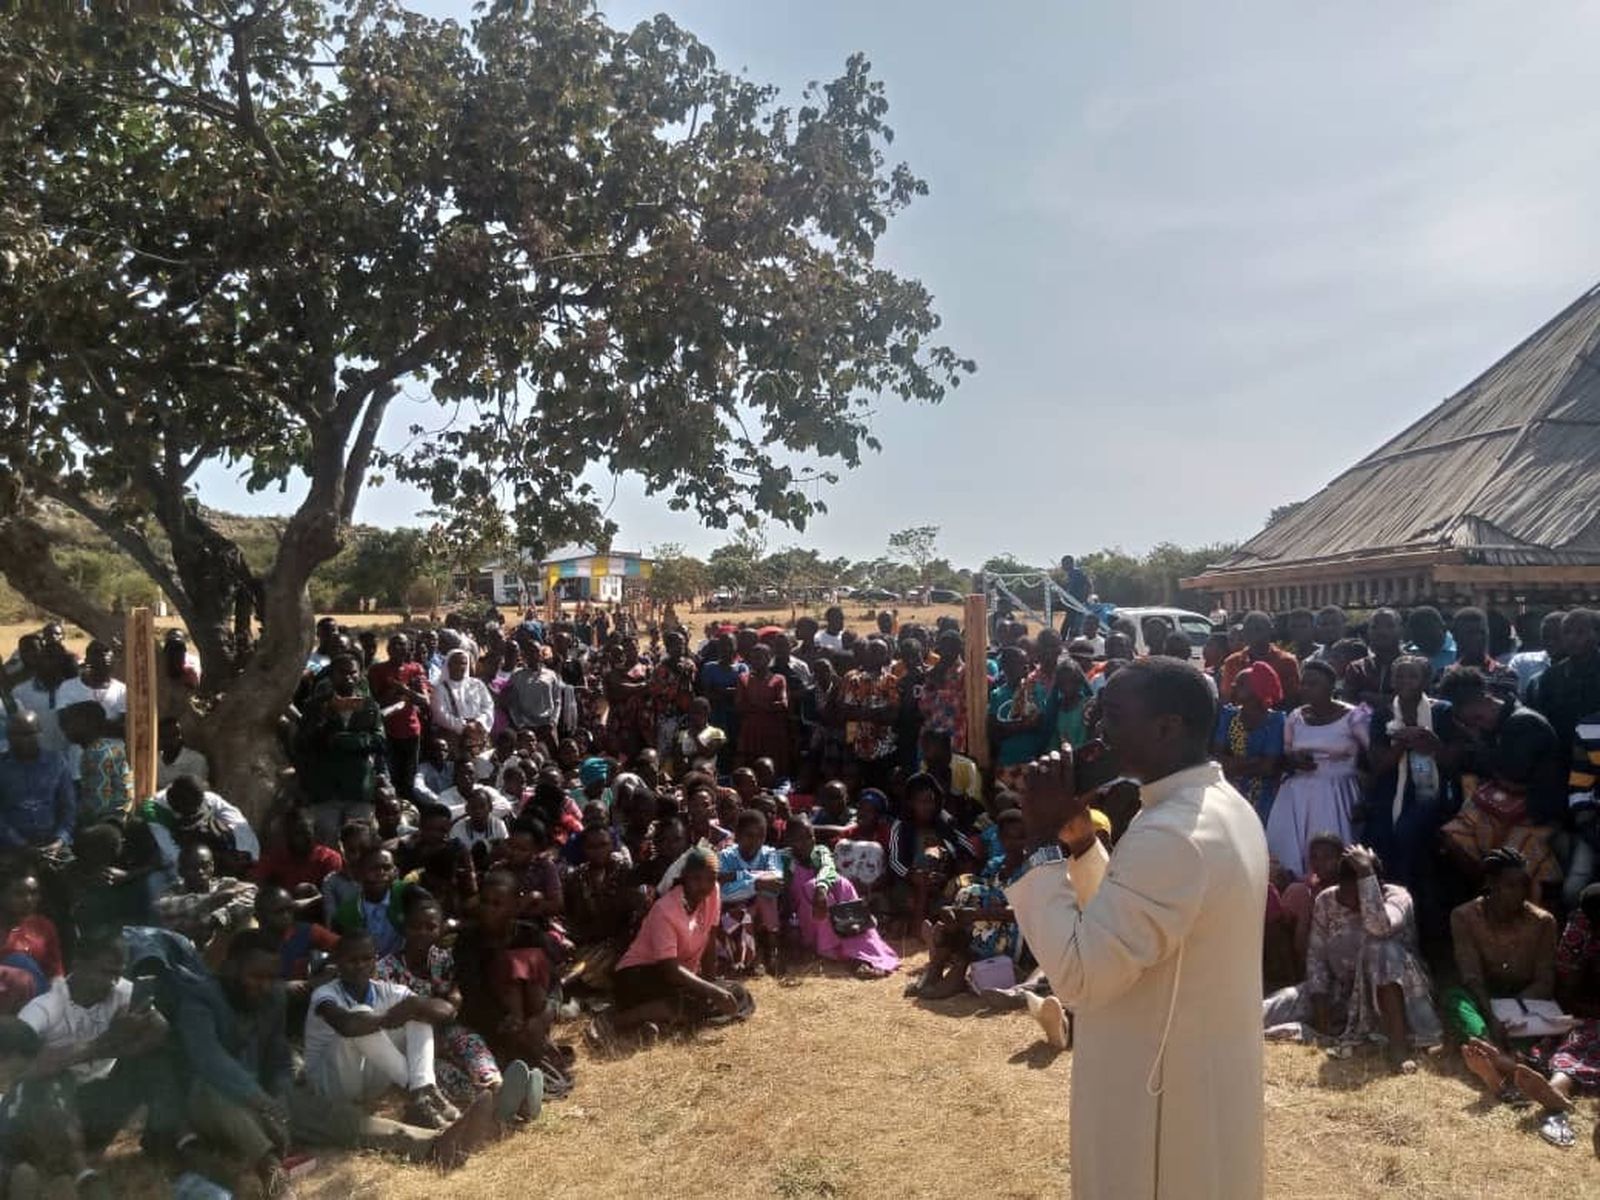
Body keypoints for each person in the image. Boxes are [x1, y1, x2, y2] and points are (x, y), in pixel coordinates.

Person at [1006, 656, 1268, 1200]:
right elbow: (1138, 919)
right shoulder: (1221, 806)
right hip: (1200, 1066)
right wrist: (1079, 841)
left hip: (1159, 1088)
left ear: (1167, 727)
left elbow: (1082, 977)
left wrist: (1037, 844)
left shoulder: (1169, 832)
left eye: (1115, 716)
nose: (1099, 733)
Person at [175, 931, 498, 1183]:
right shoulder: (198, 1001)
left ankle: (434, 1145)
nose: (264, 987)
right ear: (230, 968)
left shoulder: (271, 997)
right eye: (255, 977)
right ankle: (270, 1170)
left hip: (266, 1099)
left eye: (270, 978)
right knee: (215, 1094)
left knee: (346, 1121)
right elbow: (210, 1062)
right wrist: (262, 1101)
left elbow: (276, 1055)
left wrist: (283, 1092)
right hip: (214, 1103)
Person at [1, 929, 177, 1198]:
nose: (111, 981)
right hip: (46, 1114)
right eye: (105, 972)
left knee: (154, 1063)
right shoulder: (44, 1008)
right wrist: (104, 1043)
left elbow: (161, 1030)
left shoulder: (121, 992)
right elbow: (25, 1068)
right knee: (52, 1080)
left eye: (117, 973)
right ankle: (79, 1171)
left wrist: (131, 1037)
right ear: (78, 965)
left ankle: (172, 1144)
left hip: (95, 1107)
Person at [1262, 845, 1441, 1071]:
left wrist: (1366, 873)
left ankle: (1398, 1046)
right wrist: (1321, 1012)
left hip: (1394, 996)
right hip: (1344, 993)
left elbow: (1379, 927)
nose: (1351, 904)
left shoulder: (1397, 898)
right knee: (1283, 1002)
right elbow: (1316, 959)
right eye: (1345, 895)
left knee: (1381, 947)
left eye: (1358, 897)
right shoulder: (1327, 900)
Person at [375, 894, 532, 1116]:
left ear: (440, 930)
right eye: (415, 927)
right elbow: (391, 1021)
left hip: (445, 1030)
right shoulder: (385, 970)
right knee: (440, 1071)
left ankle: (498, 1086)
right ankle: (490, 1105)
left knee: (468, 1040)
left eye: (430, 927)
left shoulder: (443, 959)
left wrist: (440, 1011)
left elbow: (453, 1004)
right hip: (409, 1043)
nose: (422, 933)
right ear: (404, 929)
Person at [303, 929, 462, 1129]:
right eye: (352, 960)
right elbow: (346, 1025)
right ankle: (418, 1094)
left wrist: (415, 1006)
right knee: (360, 1016)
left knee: (419, 1017)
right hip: (329, 1085)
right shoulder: (324, 993)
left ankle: (423, 1089)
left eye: (366, 959)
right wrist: (388, 1018)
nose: (360, 966)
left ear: (374, 961)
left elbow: (447, 1011)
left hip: (369, 1083)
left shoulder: (386, 990)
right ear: (338, 962)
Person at [1437, 667, 1565, 896]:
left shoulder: (1523, 723)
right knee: (1453, 838)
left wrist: (1478, 744)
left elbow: (1513, 776)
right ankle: (1488, 895)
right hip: (1505, 807)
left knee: (1509, 861)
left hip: (1536, 812)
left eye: (1475, 719)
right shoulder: (1496, 726)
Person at [600, 847, 747, 1041]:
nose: (704, 886)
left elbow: (710, 942)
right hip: (640, 976)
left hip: (677, 979)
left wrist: (711, 986)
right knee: (687, 1001)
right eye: (697, 879)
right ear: (685, 877)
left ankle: (658, 1023)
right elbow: (670, 969)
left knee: (738, 994)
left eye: (710, 879)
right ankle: (618, 1021)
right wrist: (711, 991)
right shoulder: (665, 910)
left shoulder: (713, 893)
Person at [1363, 656, 1457, 918]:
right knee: (1382, 838)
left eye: (1412, 676)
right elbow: (1378, 766)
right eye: (1399, 676)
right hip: (1391, 791)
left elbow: (1453, 760)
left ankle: (1416, 910)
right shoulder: (1383, 714)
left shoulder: (1441, 711)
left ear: (1425, 680)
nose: (1405, 681)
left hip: (1431, 792)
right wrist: (1403, 743)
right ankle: (1388, 908)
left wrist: (1430, 744)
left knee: (1408, 833)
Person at [1264, 659, 1368, 877]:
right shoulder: (1295, 716)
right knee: (1288, 855)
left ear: (1332, 686)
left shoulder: (1357, 715)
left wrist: (1367, 796)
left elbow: (1371, 757)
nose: (1306, 689)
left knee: (1333, 857)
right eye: (1304, 683)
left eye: (1314, 684)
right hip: (1296, 794)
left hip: (1337, 792)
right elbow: (1287, 752)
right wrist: (1294, 760)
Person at [911, 807, 1028, 1000]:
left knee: (973, 899)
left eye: (1021, 837)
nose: (1015, 843)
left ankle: (955, 972)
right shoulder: (995, 865)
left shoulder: (1031, 869)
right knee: (967, 895)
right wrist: (955, 911)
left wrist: (975, 914)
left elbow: (1024, 913)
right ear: (999, 837)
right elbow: (980, 897)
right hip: (985, 926)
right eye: (1009, 837)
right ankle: (937, 969)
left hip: (1016, 934)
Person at [782, 814, 898, 978]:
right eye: (799, 839)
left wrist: (821, 888)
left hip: (828, 910)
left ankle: (863, 950)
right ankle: (850, 957)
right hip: (805, 921)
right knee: (811, 887)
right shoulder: (783, 859)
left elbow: (828, 868)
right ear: (789, 840)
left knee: (840, 882)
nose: (807, 843)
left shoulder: (820, 852)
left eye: (810, 837)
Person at [297, 652, 388, 842]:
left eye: (353, 673)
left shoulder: (370, 706)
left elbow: (379, 741)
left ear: (360, 674)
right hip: (325, 791)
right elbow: (304, 743)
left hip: (358, 789)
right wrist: (326, 716)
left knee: (361, 843)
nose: (348, 677)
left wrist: (344, 740)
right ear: (332, 675)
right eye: (342, 672)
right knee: (328, 843)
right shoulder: (315, 706)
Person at [1211, 662, 1286, 822]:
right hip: (1229, 793)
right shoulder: (1228, 716)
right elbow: (1217, 761)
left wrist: (1233, 764)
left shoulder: (1275, 721)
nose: (1233, 686)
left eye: (1240, 684)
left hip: (1264, 798)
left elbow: (1268, 768)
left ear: (1258, 689)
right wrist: (1254, 761)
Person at [715, 809, 786, 976]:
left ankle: (772, 948)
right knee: (743, 909)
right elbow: (723, 892)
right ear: (737, 835)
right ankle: (751, 957)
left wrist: (737, 878)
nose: (755, 841)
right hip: (733, 911)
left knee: (766, 895)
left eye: (760, 836)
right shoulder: (725, 857)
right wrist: (756, 883)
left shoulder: (769, 853)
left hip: (760, 910)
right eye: (749, 835)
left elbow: (776, 879)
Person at [153, 842, 257, 952]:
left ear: (212, 866)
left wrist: (218, 918)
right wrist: (215, 899)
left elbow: (252, 892)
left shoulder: (225, 884)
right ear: (181, 871)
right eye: (192, 868)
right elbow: (165, 909)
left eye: (205, 865)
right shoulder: (170, 893)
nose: (200, 872)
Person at [0, 710, 76, 854]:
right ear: (8, 736)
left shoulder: (57, 762)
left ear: (39, 733)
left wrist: (60, 840)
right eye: (16, 734)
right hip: (10, 847)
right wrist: (22, 846)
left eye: (29, 734)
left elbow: (68, 808)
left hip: (54, 844)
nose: (23, 739)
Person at [369, 633, 431, 802]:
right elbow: (376, 702)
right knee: (390, 776)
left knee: (409, 778)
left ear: (408, 648)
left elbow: (424, 700)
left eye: (402, 644)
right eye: (394, 644)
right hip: (387, 731)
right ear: (388, 648)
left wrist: (402, 689)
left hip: (411, 730)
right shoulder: (377, 670)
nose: (398, 648)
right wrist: (400, 691)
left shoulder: (416, 668)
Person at [59, 703, 131, 826]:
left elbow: (98, 802)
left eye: (71, 722)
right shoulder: (106, 747)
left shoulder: (96, 754)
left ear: (89, 724)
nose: (65, 728)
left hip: (110, 822)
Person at [0, 873, 62, 1015]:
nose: (28, 900)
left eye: (33, 893)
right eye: (19, 894)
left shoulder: (43, 926)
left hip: (34, 999)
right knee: (18, 961)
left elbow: (55, 973)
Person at [1219, 610, 1301, 709]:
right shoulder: (1232, 662)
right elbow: (1226, 698)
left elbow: (1292, 699)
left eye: (1258, 629)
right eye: (1248, 630)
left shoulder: (1287, 661)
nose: (1253, 634)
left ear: (1271, 630)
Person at [734, 644, 790, 777]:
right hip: (750, 730)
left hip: (771, 730)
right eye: (753, 658)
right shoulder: (743, 678)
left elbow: (783, 704)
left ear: (769, 658)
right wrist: (768, 706)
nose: (755, 661)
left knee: (770, 766)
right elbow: (739, 705)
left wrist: (755, 705)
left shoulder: (778, 679)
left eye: (759, 658)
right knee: (748, 766)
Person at [1345, 607, 1405, 708]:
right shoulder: (1356, 668)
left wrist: (1366, 696)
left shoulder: (1416, 667)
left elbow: (1411, 702)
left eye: (1390, 626)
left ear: (1401, 630)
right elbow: (1348, 705)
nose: (1382, 631)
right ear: (1368, 631)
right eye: (1375, 627)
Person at [430, 650, 495, 743]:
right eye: (456, 663)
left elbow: (488, 706)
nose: (460, 666)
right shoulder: (440, 688)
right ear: (449, 665)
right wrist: (464, 727)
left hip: (478, 733)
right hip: (453, 736)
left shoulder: (477, 684)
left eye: (463, 663)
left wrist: (479, 722)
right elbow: (440, 714)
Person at [1507, 610, 1566, 700]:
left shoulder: (1583, 665)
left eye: (1556, 637)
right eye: (1546, 637)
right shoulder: (1522, 661)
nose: (1550, 642)